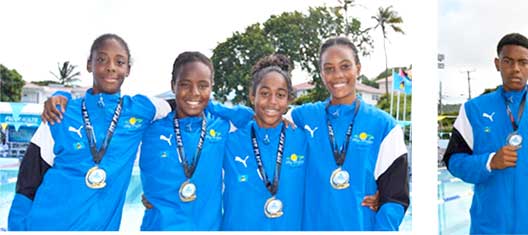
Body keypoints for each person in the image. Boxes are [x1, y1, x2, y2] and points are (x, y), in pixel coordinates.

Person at [7, 34, 172, 231]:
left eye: (119, 62)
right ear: (89, 64)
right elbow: (28, 181)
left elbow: (186, 103)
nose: (111, 67)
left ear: (128, 70)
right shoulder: (60, 114)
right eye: (101, 59)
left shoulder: (140, 109)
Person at [443, 33, 528, 234]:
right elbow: (453, 161)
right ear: (497, 64)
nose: (516, 68)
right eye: (508, 61)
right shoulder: (473, 110)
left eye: (523, 62)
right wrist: (489, 162)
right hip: (488, 227)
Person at [292, 36, 409, 231]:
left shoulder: (384, 126)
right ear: (321, 74)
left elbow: (395, 199)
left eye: (345, 66)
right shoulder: (302, 117)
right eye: (329, 68)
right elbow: (264, 118)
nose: (337, 75)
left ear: (358, 68)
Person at [138, 51, 241, 230]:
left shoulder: (222, 127)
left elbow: (255, 120)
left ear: (211, 87)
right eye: (185, 85)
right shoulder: (150, 128)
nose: (194, 93)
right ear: (173, 85)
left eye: (203, 86)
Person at [221, 54, 308, 230]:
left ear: (288, 100)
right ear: (252, 97)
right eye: (265, 93)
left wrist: (375, 192)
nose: (272, 101)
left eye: (280, 95)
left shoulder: (303, 140)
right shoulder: (229, 140)